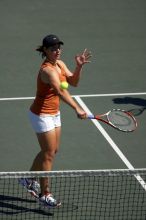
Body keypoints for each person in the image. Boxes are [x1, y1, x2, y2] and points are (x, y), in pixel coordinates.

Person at [19, 34, 91, 208]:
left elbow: (73, 82)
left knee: (51, 151)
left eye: (59, 47)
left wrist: (78, 67)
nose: (57, 51)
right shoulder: (47, 71)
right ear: (45, 50)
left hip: (54, 113)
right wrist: (77, 108)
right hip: (41, 115)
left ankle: (27, 178)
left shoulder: (59, 64)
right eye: (53, 48)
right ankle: (45, 194)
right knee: (48, 154)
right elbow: (60, 91)